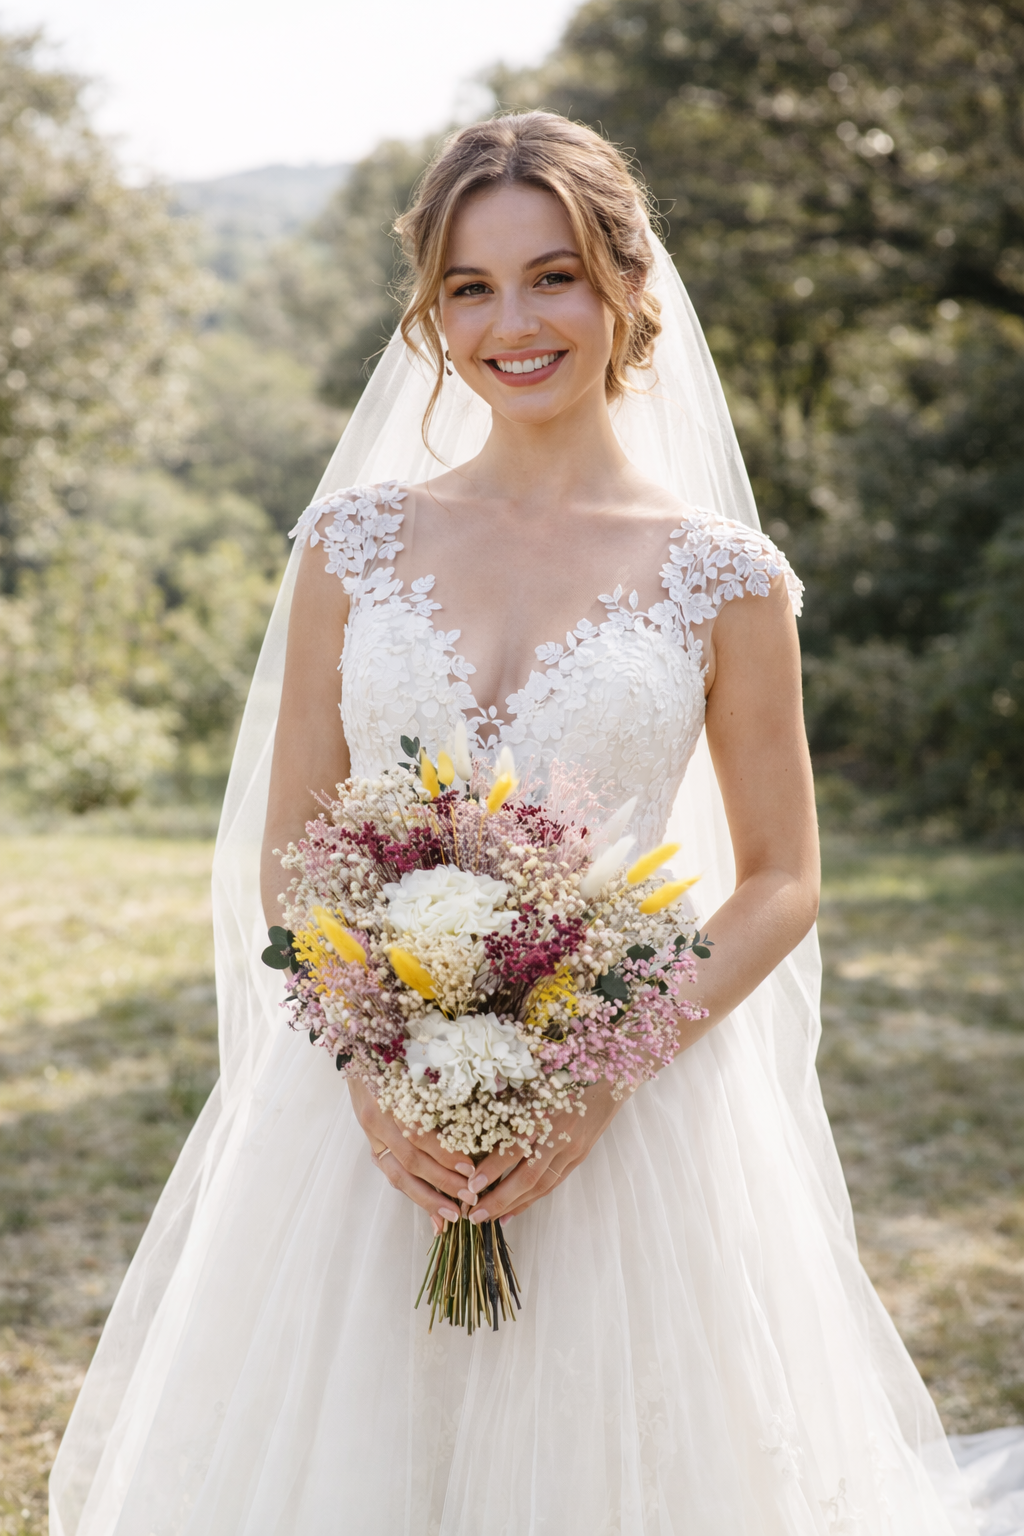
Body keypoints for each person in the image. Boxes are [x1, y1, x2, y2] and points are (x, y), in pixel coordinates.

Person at [51, 111, 999, 1535]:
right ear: (432, 311)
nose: (515, 323)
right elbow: (292, 854)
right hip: (369, 1124)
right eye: (470, 288)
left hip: (631, 1116)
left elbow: (783, 879)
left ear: (625, 284)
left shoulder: (718, 575)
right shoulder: (350, 544)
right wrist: (372, 1076)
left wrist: (605, 1073)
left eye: (552, 275)